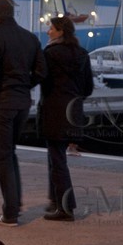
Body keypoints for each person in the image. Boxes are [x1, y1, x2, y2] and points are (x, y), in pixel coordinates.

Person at [0, 0, 47, 225]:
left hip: (1, 104)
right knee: (11, 153)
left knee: (3, 157)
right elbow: (41, 72)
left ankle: (9, 214)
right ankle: (14, 205)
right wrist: (25, 85)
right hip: (22, 104)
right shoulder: (30, 38)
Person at [39, 14, 94, 219]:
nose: (48, 31)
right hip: (73, 111)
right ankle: (55, 200)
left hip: (54, 111)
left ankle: (65, 207)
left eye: (51, 28)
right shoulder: (82, 54)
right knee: (57, 157)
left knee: (57, 159)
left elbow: (42, 80)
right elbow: (88, 88)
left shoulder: (50, 53)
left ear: (60, 31)